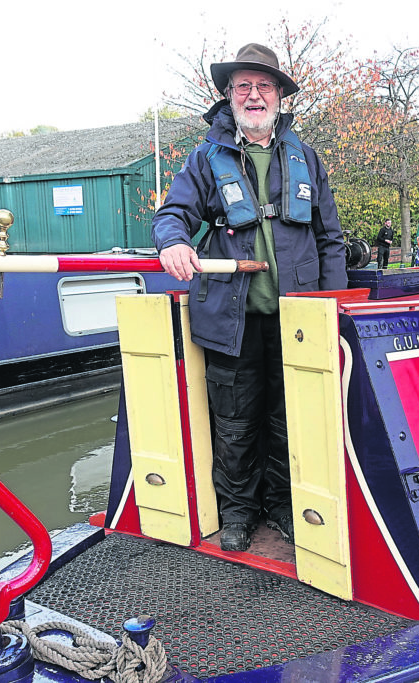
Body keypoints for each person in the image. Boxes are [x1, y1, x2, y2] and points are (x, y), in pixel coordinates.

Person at [151, 43, 347, 552]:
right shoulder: (203, 158)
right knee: (234, 422)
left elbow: (330, 239)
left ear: (279, 95)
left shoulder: (307, 157)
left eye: (264, 86)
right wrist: (172, 241)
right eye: (244, 86)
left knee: (290, 418)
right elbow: (172, 213)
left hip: (297, 319)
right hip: (230, 319)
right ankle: (237, 511)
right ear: (229, 96)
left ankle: (281, 505)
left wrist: (332, 306)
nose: (254, 95)